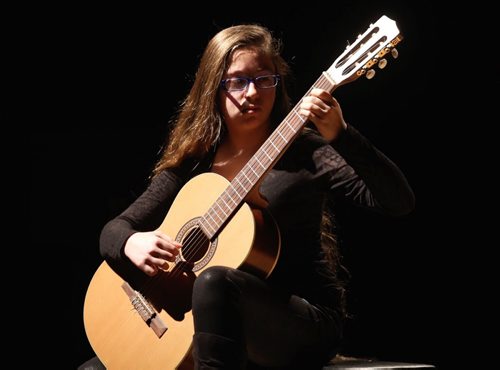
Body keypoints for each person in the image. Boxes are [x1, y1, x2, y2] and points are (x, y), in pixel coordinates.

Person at [98, 24, 415, 369]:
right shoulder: (196, 162)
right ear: (213, 89)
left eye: (264, 79)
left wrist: (341, 135)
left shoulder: (305, 152)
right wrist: (131, 242)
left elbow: (397, 201)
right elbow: (114, 231)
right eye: (237, 81)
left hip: (302, 322)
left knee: (215, 281)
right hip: (217, 327)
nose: (252, 93)